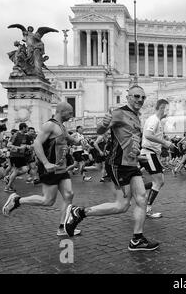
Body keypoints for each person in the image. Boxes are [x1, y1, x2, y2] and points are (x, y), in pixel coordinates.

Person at [63, 85, 159, 251]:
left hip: (131, 163)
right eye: (136, 96)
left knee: (142, 199)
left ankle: (137, 239)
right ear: (128, 97)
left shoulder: (136, 116)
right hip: (117, 164)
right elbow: (101, 130)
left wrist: (137, 156)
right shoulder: (118, 112)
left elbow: (130, 141)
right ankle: (79, 212)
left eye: (142, 97)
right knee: (121, 206)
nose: (140, 100)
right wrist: (104, 123)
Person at [2, 102, 83, 236]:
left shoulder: (61, 127)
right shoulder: (50, 125)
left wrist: (79, 141)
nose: (71, 115)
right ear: (62, 111)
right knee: (48, 200)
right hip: (50, 168)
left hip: (61, 168)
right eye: (70, 113)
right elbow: (36, 143)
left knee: (69, 195)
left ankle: (62, 228)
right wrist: (46, 163)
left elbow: (71, 140)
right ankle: (17, 200)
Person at [139, 99, 176, 219]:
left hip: (151, 154)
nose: (169, 111)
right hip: (149, 154)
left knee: (160, 181)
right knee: (159, 181)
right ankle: (147, 209)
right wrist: (165, 142)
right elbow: (148, 135)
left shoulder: (157, 121)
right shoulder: (154, 120)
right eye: (167, 108)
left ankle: (135, 190)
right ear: (162, 108)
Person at [4, 123, 32, 193]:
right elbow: (9, 145)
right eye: (26, 128)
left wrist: (28, 147)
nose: (27, 129)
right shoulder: (15, 135)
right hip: (14, 155)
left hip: (21, 156)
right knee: (16, 170)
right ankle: (7, 187)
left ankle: (9, 177)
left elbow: (26, 145)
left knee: (25, 169)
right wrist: (19, 148)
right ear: (23, 128)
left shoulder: (25, 136)